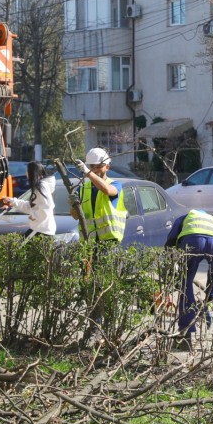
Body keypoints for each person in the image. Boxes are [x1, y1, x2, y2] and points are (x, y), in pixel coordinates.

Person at [71, 148, 125, 346]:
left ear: (107, 167)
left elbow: (107, 191)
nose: (94, 169)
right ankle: (95, 327)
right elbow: (76, 216)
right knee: (90, 288)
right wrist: (73, 204)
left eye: (98, 166)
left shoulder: (114, 184)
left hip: (108, 244)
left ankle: (102, 328)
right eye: (91, 166)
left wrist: (87, 173)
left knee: (103, 286)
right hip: (89, 245)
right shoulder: (84, 188)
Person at [165, 209, 213, 351]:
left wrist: (174, 269)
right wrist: (211, 296)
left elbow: (170, 242)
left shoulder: (186, 217)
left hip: (191, 241)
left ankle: (186, 335)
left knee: (185, 284)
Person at [1, 161, 57, 239]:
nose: (26, 173)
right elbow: (31, 206)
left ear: (32, 172)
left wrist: (35, 216)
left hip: (41, 230)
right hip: (40, 229)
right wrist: (12, 201)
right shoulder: (40, 186)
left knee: (21, 249)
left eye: (27, 171)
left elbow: (48, 206)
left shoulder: (41, 186)